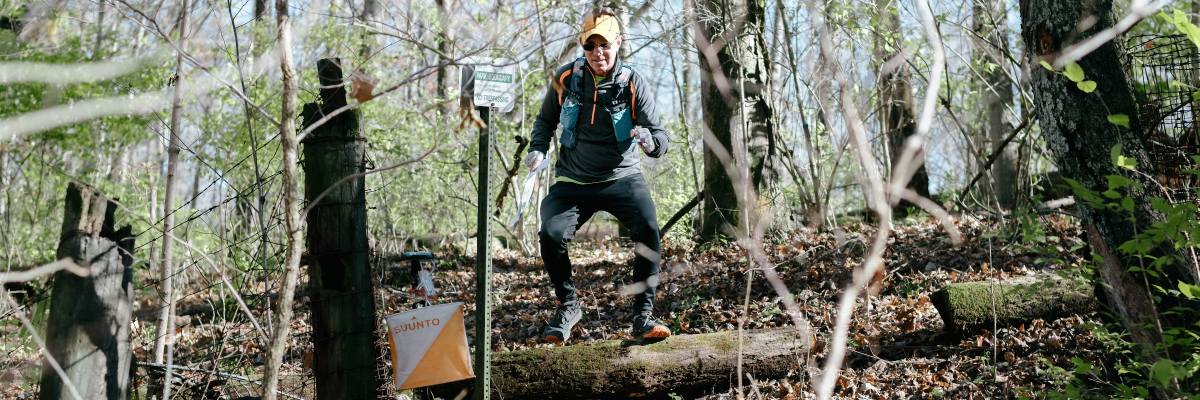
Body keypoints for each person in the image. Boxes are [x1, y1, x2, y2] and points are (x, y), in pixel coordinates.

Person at [524, 7, 672, 343]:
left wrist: (650, 143)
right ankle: (568, 306)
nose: (597, 53)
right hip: (573, 181)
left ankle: (643, 316)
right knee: (550, 233)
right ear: (582, 46)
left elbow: (660, 135)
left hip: (621, 177)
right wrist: (538, 149)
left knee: (649, 229)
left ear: (618, 42)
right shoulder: (565, 78)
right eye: (590, 46)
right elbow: (545, 121)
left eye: (604, 44)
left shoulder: (632, 82)